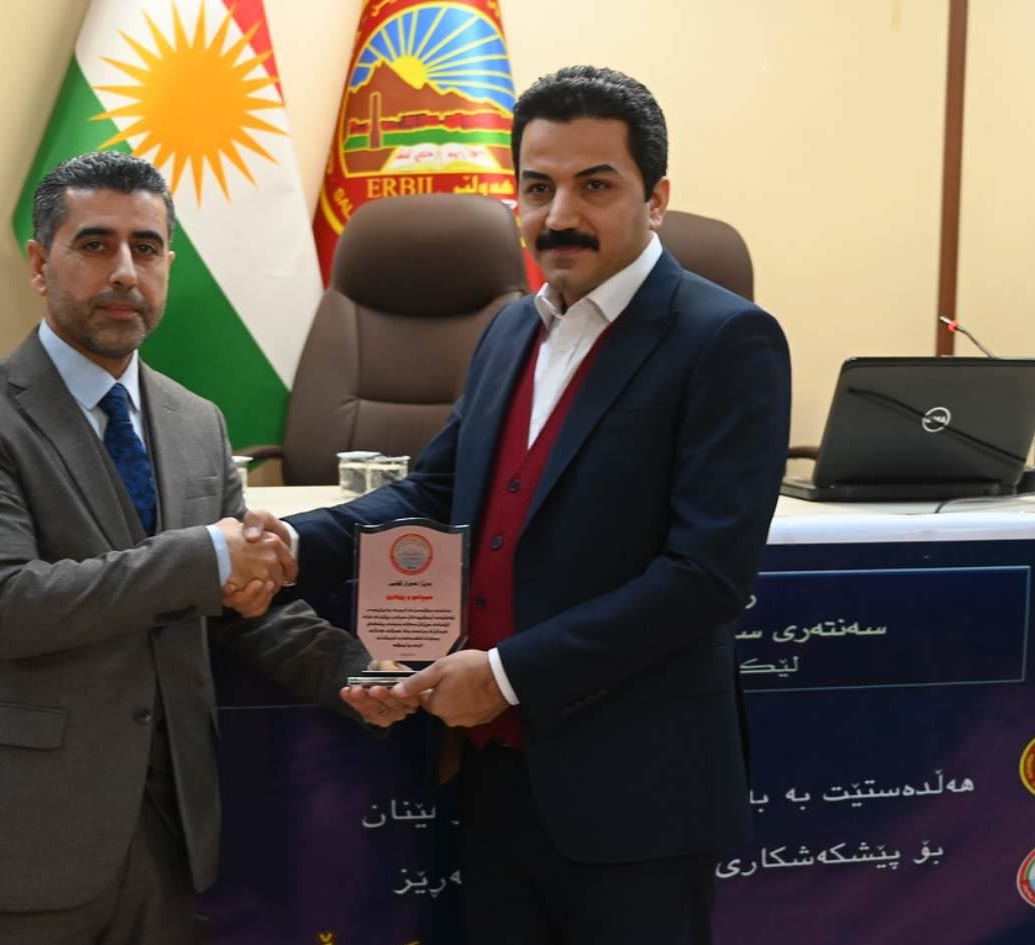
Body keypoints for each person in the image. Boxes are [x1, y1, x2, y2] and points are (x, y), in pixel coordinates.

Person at [271, 66, 792, 944]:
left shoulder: (727, 339)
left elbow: (706, 576)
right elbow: (438, 491)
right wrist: (287, 544)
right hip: (492, 778)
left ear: (657, 198)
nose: (560, 215)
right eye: (539, 187)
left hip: (637, 795)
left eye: (597, 186)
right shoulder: (510, 327)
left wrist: (506, 676)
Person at [0, 151, 405, 944]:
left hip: (169, 831)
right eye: (95, 244)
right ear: (39, 264)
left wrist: (363, 675)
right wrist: (207, 554)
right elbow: (6, 605)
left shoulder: (197, 421)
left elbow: (244, 606)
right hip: (20, 839)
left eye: (146, 247)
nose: (125, 272)